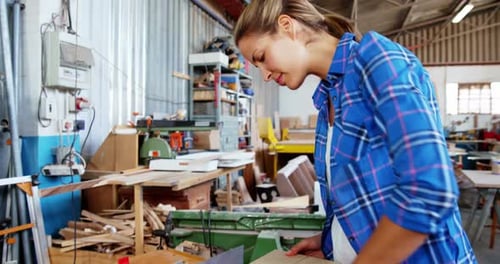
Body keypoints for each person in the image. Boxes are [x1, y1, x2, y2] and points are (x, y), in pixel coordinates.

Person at [233, 0, 477, 263]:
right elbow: (362, 197)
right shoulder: (328, 98)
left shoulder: (377, 61)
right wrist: (332, 242)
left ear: (287, 26)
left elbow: (430, 191)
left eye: (261, 58)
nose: (265, 75)